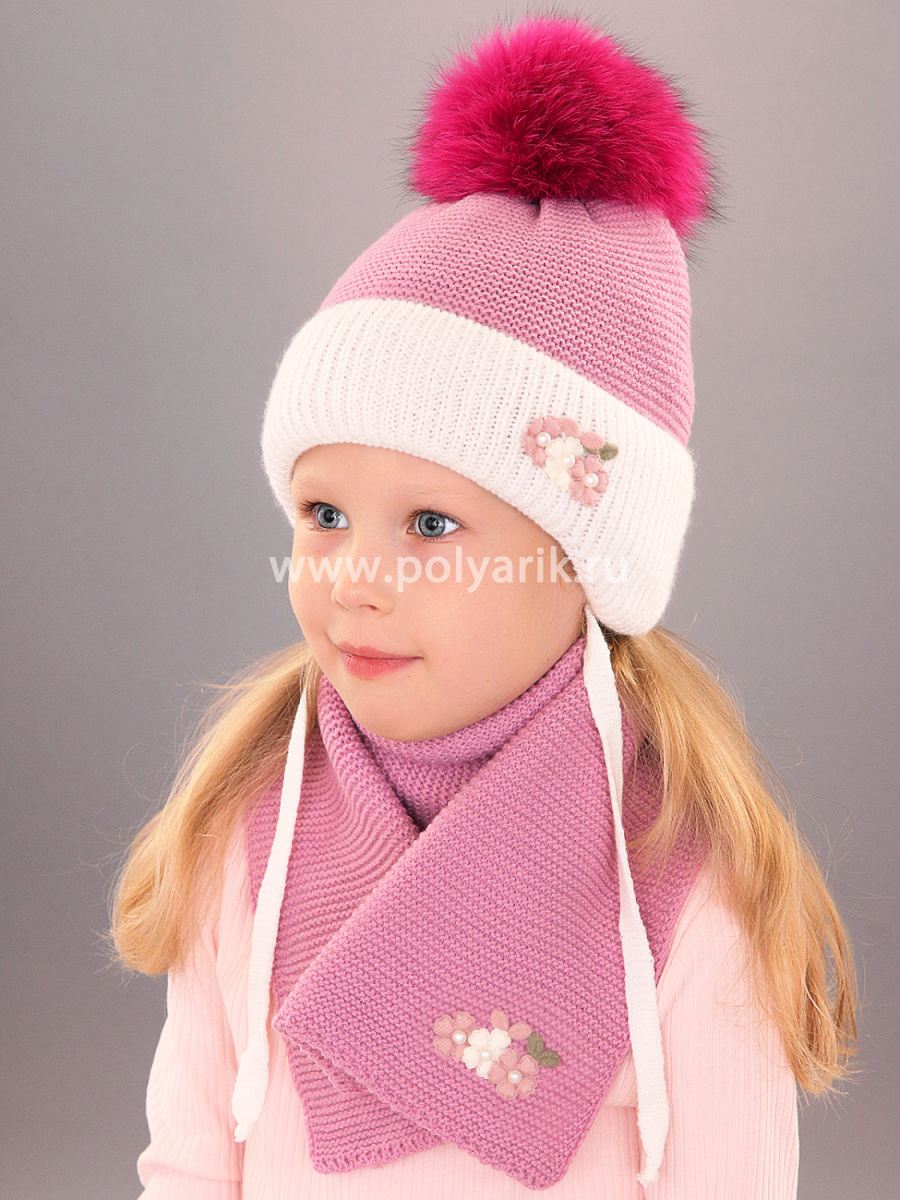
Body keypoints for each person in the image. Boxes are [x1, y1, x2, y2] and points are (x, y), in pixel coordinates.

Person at [110, 13, 858, 1198]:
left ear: (585, 561)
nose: (354, 574)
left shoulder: (680, 868)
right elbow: (192, 1162)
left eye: (432, 526)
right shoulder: (247, 827)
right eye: (324, 513)